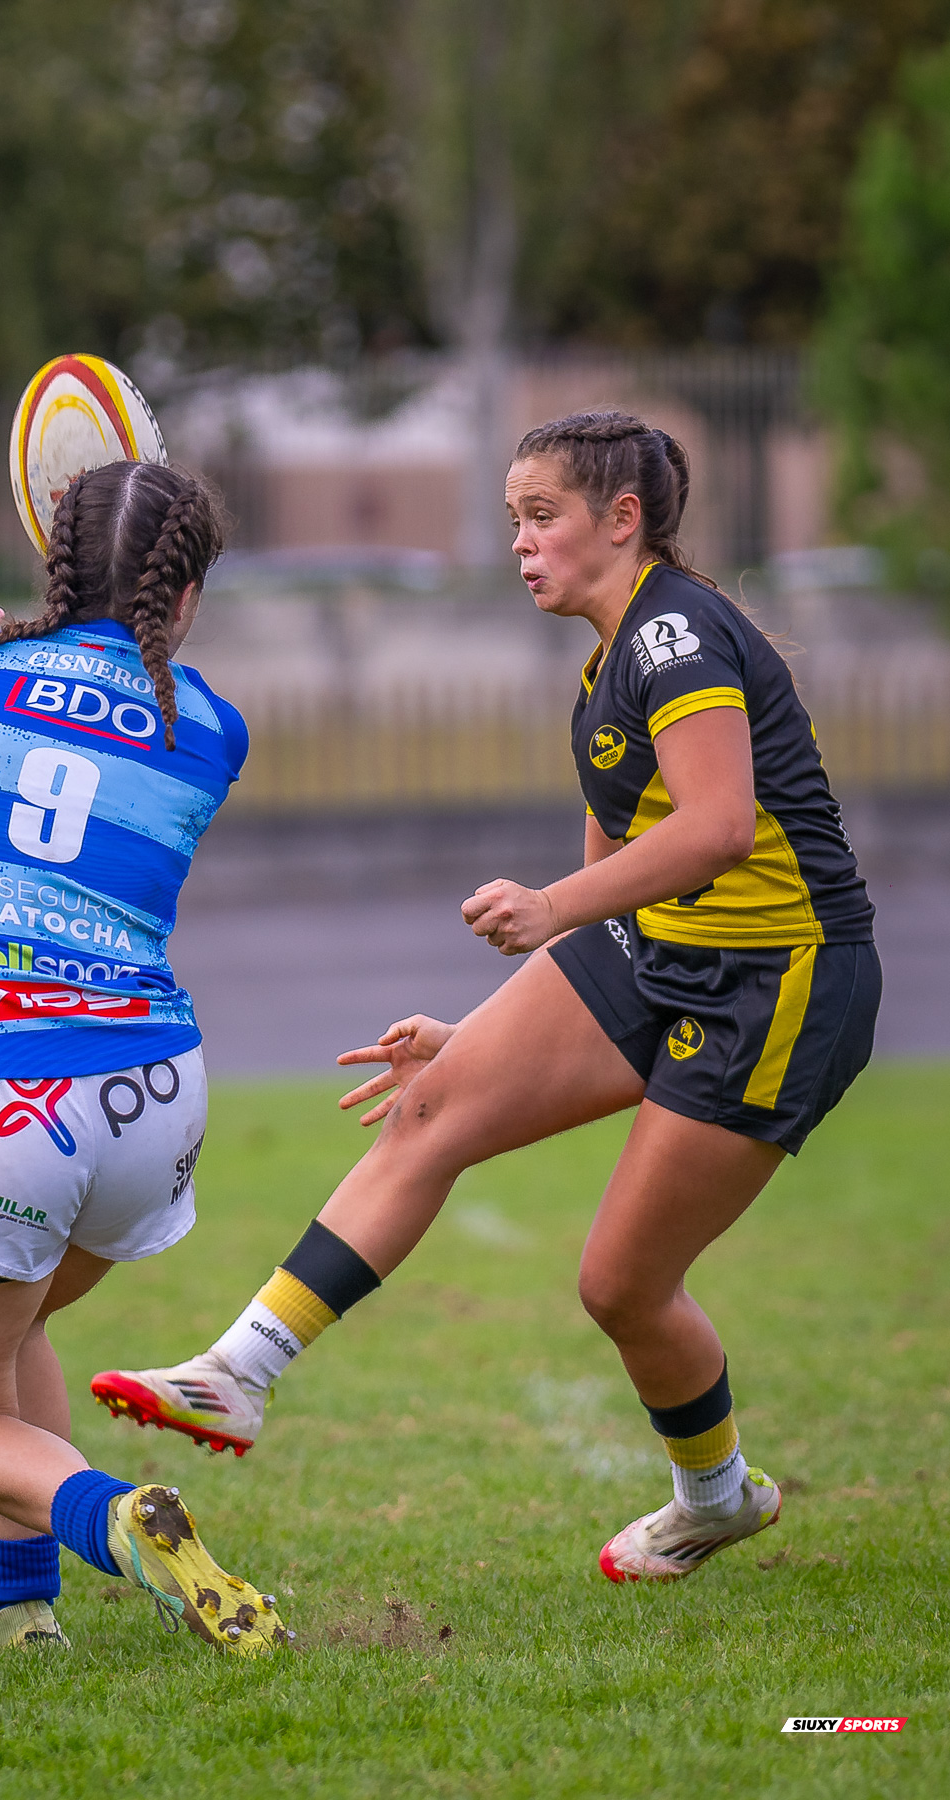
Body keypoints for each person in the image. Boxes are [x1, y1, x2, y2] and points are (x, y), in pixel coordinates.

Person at [93, 411, 881, 1584]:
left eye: (541, 516)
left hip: (780, 980)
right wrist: (481, 1035)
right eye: (514, 518)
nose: (519, 542)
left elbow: (718, 829)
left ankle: (714, 1499)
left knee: (619, 1284)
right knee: (435, 1100)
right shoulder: (603, 672)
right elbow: (621, 878)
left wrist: (551, 906)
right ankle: (236, 1373)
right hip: (661, 945)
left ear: (621, 520)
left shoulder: (674, 636)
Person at [0, 461, 290, 1654]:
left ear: (52, 570)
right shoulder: (212, 728)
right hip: (150, 1098)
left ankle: (111, 1522)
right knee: (10, 1327)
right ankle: (18, 1611)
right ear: (185, 592)